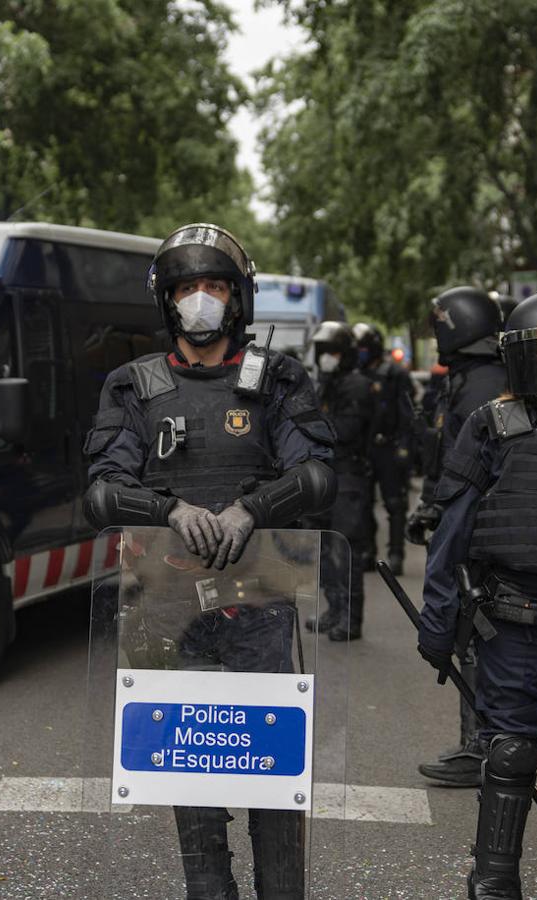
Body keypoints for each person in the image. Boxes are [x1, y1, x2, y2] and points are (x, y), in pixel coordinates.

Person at [83, 222, 336, 898]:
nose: (201, 299)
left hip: (259, 603)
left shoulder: (276, 379)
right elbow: (103, 490)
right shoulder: (131, 386)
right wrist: (169, 511)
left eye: (214, 286)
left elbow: (317, 474)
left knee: (273, 770)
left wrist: (251, 507)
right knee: (190, 766)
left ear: (237, 297)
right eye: (188, 287)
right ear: (168, 301)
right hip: (166, 604)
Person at [417, 291, 537, 900]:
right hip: (512, 618)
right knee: (510, 750)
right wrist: (439, 617)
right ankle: (494, 878)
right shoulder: (491, 423)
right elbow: (455, 527)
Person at [407, 285, 509, 787]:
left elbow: (467, 464)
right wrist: (430, 506)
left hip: (477, 529)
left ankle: (484, 747)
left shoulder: (480, 384)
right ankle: (489, 742)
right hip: (469, 519)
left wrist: (443, 512)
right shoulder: (474, 378)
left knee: (475, 636)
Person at [303, 320, 376, 641]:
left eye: (331, 352)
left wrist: (314, 424)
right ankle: (334, 607)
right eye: (323, 352)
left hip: (349, 476)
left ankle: (351, 617)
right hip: (323, 476)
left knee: (345, 550)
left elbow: (343, 432)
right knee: (318, 548)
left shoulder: (356, 385)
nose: (326, 358)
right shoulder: (325, 384)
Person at [353, 322, 416, 574]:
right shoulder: (356, 375)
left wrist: (405, 447)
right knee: (363, 502)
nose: (361, 353)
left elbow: (407, 413)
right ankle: (368, 551)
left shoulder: (394, 374)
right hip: (365, 448)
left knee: (394, 503)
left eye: (364, 348)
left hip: (389, 446)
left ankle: (396, 553)